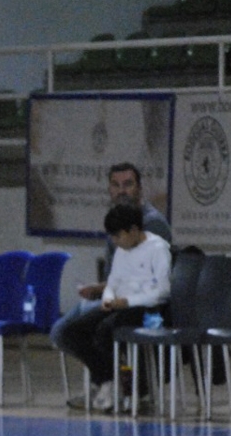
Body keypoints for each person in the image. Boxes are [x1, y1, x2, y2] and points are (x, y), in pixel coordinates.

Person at [49, 162, 172, 383]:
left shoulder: (150, 223)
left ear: (140, 188)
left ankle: (114, 382)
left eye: (128, 184)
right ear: (109, 190)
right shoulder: (118, 219)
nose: (121, 190)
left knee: (71, 331)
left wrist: (99, 289)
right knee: (60, 332)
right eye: (115, 185)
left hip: (140, 303)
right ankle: (112, 379)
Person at [56, 203, 171, 413]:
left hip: (149, 309)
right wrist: (108, 298)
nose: (114, 241)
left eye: (118, 236)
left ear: (134, 231)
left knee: (105, 331)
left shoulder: (158, 249)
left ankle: (125, 387)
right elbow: (114, 281)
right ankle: (105, 378)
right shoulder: (123, 250)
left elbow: (162, 291)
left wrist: (127, 301)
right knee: (72, 330)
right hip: (121, 305)